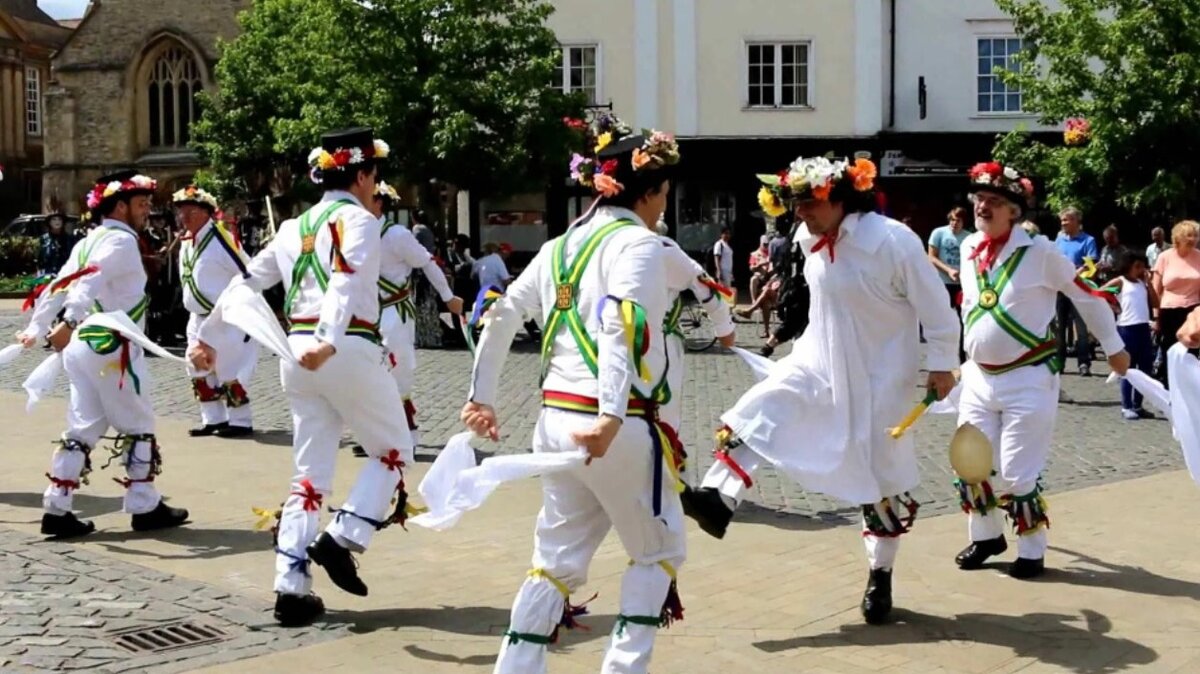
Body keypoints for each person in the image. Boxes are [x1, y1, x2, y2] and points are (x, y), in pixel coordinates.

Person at [683, 155, 960, 625]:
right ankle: (718, 498)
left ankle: (881, 574)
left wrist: (942, 364)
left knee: (880, 481)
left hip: (880, 379)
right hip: (818, 360)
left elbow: (935, 306)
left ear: (840, 196)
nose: (801, 214)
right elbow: (808, 300)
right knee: (759, 406)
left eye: (809, 203)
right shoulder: (807, 239)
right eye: (796, 205)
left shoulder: (892, 241)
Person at [461, 118, 682, 673]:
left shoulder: (559, 246)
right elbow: (621, 324)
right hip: (615, 427)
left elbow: (503, 311)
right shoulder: (640, 245)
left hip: (555, 422)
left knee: (555, 560)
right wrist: (609, 416)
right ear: (652, 192)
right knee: (657, 553)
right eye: (664, 191)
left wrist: (480, 396)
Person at [190, 128, 416, 627]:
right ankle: (343, 537)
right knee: (394, 452)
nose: (374, 188)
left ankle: (290, 587)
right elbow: (345, 277)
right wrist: (330, 338)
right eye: (374, 177)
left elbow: (246, 282)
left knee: (309, 474)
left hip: (295, 353)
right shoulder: (358, 220)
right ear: (360, 175)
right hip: (345, 348)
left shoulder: (293, 227)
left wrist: (207, 335)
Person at [953, 162, 1128, 580]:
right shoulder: (967, 248)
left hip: (1028, 376)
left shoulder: (1040, 253)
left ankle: (1032, 549)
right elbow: (968, 308)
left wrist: (1115, 348)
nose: (983, 207)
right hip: (978, 376)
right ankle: (986, 536)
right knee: (969, 462)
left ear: (1014, 211)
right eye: (979, 200)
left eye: (994, 202)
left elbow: (1086, 298)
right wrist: (956, 360)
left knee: (1016, 471)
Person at [15, 169, 190, 539]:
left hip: (85, 348)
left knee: (83, 425)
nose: (146, 211)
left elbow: (60, 284)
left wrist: (38, 325)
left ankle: (57, 506)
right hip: (112, 345)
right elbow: (87, 282)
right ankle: (144, 505)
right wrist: (67, 320)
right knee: (138, 422)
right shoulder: (121, 242)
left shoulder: (88, 241)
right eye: (141, 205)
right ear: (120, 205)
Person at [365, 181, 463, 451]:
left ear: (379, 203)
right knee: (367, 373)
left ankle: (407, 438)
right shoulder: (354, 232)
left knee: (398, 371)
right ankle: (375, 435)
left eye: (367, 198)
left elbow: (427, 262)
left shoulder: (397, 235)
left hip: (394, 312)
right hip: (363, 314)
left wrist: (448, 296)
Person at [173, 185, 258, 438]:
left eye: (190, 211)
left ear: (206, 212)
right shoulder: (188, 240)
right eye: (181, 211)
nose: (184, 217)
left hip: (222, 317)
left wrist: (243, 306)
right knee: (196, 366)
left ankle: (241, 421)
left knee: (228, 367)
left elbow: (249, 272)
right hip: (196, 317)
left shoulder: (221, 239)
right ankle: (213, 419)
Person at [1103, 251, 1158, 420]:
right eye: (1137, 266)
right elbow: (1100, 292)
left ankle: (1138, 405)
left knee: (1145, 368)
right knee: (1128, 367)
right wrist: (1114, 308)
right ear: (1129, 266)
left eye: (1143, 266)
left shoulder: (1142, 283)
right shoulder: (1121, 281)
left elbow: (1155, 302)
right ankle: (1126, 405)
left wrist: (1149, 283)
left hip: (1142, 326)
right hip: (1127, 327)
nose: (1141, 270)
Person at [1151, 220, 1200, 387]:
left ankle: (1190, 389)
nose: (1193, 238)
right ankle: (1170, 388)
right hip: (1169, 310)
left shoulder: (1199, 257)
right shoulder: (1165, 257)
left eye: (1195, 235)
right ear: (1178, 237)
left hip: (1193, 310)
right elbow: (1155, 289)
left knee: (1192, 351)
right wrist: (1156, 317)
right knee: (1169, 350)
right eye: (1189, 235)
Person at [1054, 207, 1100, 376]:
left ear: (1076, 221)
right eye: (1062, 220)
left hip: (1079, 289)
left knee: (1081, 329)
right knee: (1059, 329)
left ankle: (1084, 363)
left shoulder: (1088, 240)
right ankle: (1059, 363)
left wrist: (1076, 273)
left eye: (1066, 219)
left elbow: (1091, 264)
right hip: (1060, 289)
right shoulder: (1058, 239)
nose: (1063, 223)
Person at [929, 206, 971, 361]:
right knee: (942, 321)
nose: (954, 223)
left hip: (961, 284)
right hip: (942, 282)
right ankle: (940, 357)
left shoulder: (969, 238)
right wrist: (948, 270)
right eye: (952, 219)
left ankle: (962, 358)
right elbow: (931, 257)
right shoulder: (939, 233)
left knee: (963, 320)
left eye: (958, 220)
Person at [737, 235, 778, 337]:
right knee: (753, 279)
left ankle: (766, 330)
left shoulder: (772, 253)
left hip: (771, 284)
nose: (766, 246)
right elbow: (751, 268)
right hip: (760, 283)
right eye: (764, 244)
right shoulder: (755, 254)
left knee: (766, 305)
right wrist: (760, 264)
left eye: (768, 245)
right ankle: (753, 302)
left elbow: (778, 269)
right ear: (761, 243)